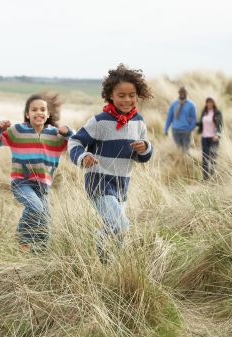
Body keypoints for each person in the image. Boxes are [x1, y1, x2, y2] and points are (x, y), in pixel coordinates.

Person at [68, 64, 153, 262]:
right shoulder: (99, 121)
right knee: (121, 226)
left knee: (117, 234)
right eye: (121, 95)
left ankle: (107, 267)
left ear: (137, 95)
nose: (127, 100)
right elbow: (75, 141)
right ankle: (101, 251)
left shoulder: (139, 122)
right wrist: (83, 157)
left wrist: (145, 148)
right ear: (110, 96)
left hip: (122, 186)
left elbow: (142, 156)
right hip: (98, 183)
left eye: (131, 95)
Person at [0, 93, 74, 253]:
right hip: (22, 183)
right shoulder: (18, 132)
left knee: (45, 223)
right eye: (34, 109)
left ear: (48, 114)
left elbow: (76, 144)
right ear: (28, 114)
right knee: (35, 208)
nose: (38, 112)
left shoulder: (56, 135)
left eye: (42, 109)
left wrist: (68, 132)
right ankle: (23, 240)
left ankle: (38, 257)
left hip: (43, 187)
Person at [196, 97, 223, 180]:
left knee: (213, 158)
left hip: (213, 138)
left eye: (211, 102)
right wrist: (193, 122)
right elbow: (201, 123)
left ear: (214, 103)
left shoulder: (217, 113)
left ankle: (213, 177)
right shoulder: (204, 112)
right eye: (208, 102)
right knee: (205, 158)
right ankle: (205, 178)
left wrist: (218, 134)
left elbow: (220, 124)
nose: (209, 104)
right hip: (204, 138)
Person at [164, 86, 197, 153]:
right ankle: (180, 162)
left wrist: (190, 129)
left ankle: (186, 163)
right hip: (175, 131)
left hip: (186, 131)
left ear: (187, 93)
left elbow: (194, 119)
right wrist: (166, 129)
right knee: (178, 150)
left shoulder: (191, 105)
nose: (182, 94)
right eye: (181, 92)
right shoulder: (174, 104)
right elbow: (169, 117)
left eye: (184, 92)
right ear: (178, 93)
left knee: (186, 150)